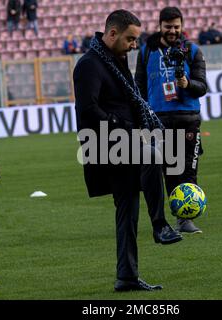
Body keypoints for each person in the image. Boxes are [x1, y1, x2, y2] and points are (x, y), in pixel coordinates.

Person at [74, 10, 182, 292]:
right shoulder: (89, 65)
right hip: (105, 145)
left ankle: (127, 276)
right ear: (112, 34)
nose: (134, 45)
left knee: (128, 211)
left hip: (125, 140)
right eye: (130, 39)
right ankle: (160, 225)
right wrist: (122, 125)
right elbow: (88, 109)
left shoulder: (114, 60)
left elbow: (130, 101)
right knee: (152, 155)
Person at [135, 7, 207, 233]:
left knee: (188, 170)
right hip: (158, 120)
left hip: (188, 119)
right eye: (168, 27)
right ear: (160, 26)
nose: (173, 31)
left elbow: (202, 86)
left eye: (177, 26)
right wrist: (142, 117)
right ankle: (164, 219)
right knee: (165, 170)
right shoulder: (146, 51)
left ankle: (185, 219)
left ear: (182, 26)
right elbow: (139, 87)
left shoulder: (193, 50)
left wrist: (188, 85)